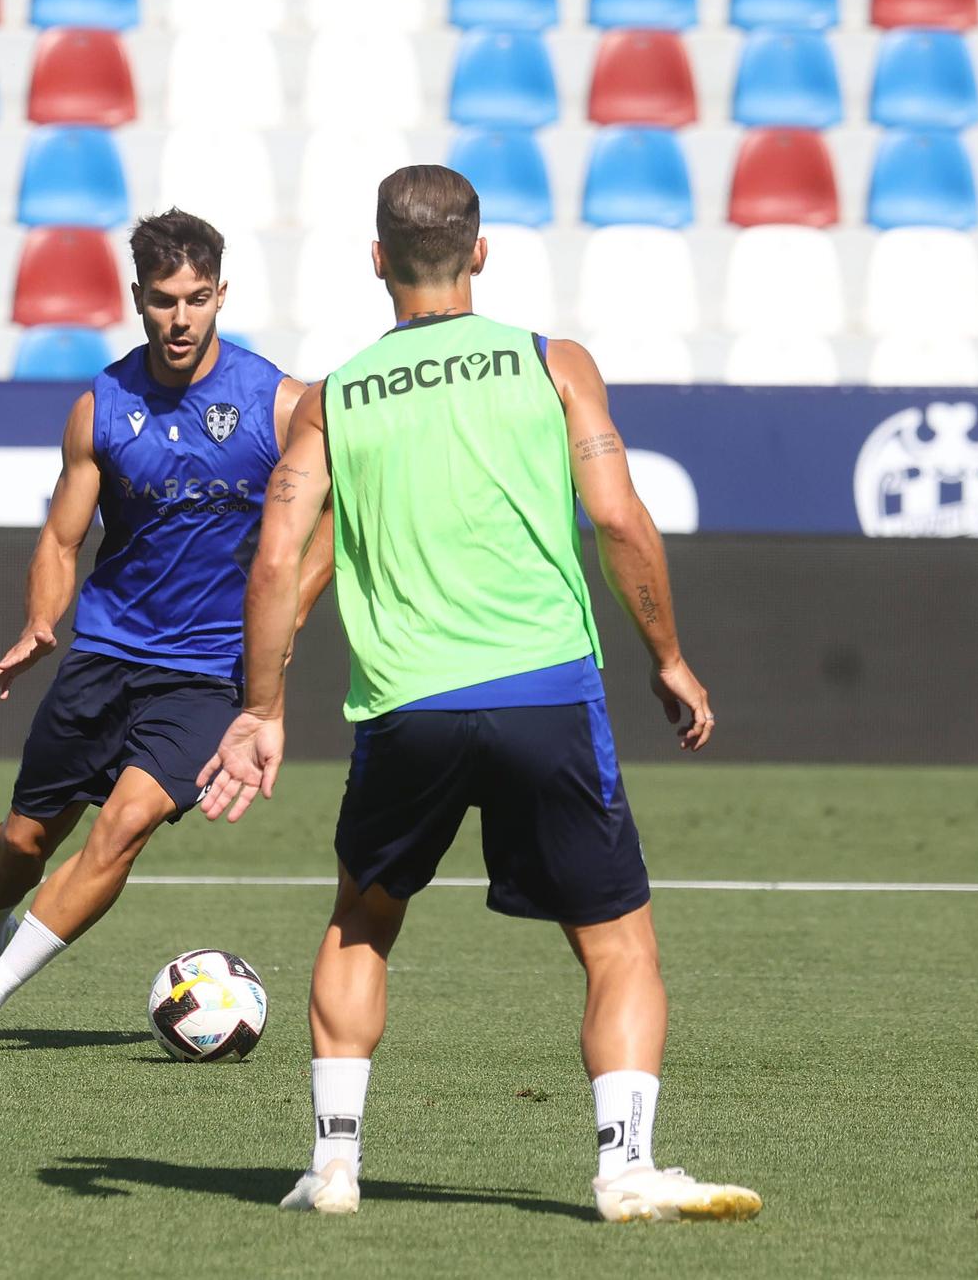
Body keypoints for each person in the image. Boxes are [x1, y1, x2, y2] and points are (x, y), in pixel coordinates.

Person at [198, 166, 761, 1224]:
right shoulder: (553, 365)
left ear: (375, 262)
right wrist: (666, 657)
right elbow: (619, 518)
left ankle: (332, 1165)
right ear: (482, 251)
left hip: (405, 706)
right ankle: (625, 1168)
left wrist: (261, 708)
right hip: (544, 690)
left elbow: (276, 561)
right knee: (615, 941)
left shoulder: (333, 397)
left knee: (362, 917)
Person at [0, 209, 332, 1054]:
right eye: (166, 301)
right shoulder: (100, 407)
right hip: (105, 656)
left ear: (222, 295)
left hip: (208, 674)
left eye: (199, 299)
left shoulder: (281, 403)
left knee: (125, 825)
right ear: (137, 298)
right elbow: (62, 538)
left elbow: (346, 512)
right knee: (21, 841)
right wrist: (41, 619)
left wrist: (285, 621)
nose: (182, 319)